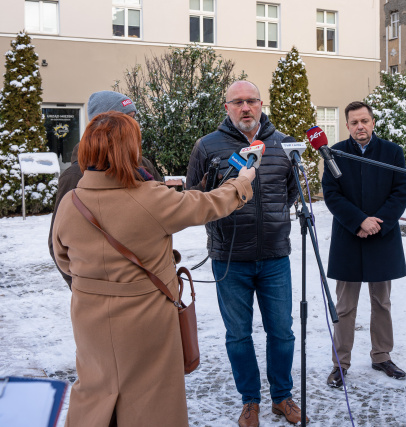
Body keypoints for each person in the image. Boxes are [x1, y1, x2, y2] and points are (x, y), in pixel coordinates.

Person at [52, 111, 254, 427]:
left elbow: (62, 256)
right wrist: (241, 183)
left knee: (96, 388)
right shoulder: (150, 198)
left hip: (89, 318)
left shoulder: (71, 201)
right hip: (146, 318)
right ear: (127, 151)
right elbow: (209, 205)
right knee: (150, 399)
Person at [185, 80, 303, 427]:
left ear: (261, 104)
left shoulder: (283, 145)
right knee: (238, 335)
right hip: (229, 258)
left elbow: (291, 194)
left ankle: (282, 397)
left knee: (281, 332)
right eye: (237, 102)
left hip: (274, 257)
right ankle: (250, 401)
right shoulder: (207, 147)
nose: (246, 108)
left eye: (251, 101)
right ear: (227, 108)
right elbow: (194, 197)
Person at [322, 101, 406, 388]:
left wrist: (376, 223)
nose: (360, 126)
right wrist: (359, 221)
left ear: (373, 122)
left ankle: (381, 355)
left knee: (381, 302)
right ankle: (341, 363)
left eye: (365, 121)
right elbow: (332, 194)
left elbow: (400, 193)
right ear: (347, 126)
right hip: (349, 237)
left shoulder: (392, 152)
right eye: (354, 122)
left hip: (382, 238)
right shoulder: (335, 154)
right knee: (345, 306)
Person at [48, 90, 161, 287]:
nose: (135, 126)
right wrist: (83, 287)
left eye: (134, 119)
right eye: (126, 119)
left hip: (149, 287)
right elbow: (57, 244)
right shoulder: (75, 176)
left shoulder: (142, 165)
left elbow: (166, 205)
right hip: (102, 297)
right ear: (103, 125)